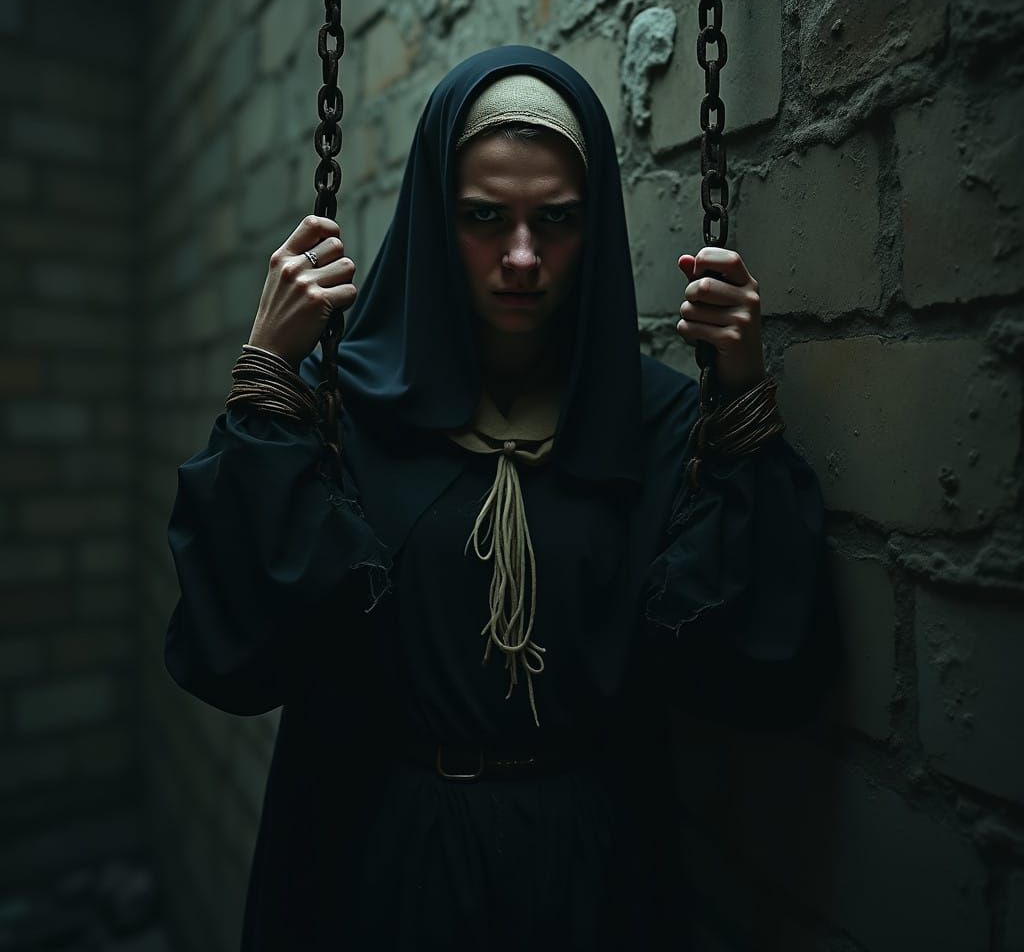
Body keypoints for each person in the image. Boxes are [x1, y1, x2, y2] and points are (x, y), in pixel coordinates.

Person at [165, 46, 838, 951]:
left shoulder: (655, 422)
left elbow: (762, 665)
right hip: (379, 859)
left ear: (593, 226)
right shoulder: (348, 408)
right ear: (438, 220)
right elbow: (239, 648)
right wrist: (267, 373)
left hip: (589, 871)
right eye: (486, 218)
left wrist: (746, 393)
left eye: (555, 220)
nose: (522, 257)